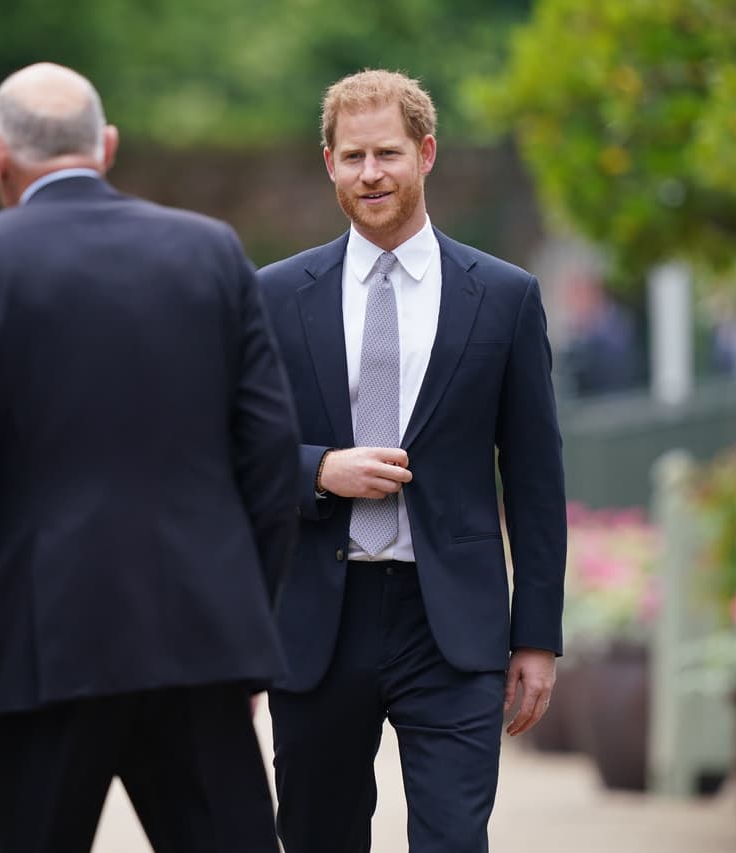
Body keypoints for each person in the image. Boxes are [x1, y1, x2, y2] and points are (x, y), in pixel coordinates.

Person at [0, 62, 299, 853]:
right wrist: (245, 619)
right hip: (200, 637)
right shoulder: (212, 251)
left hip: (44, 645)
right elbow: (273, 451)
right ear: (107, 145)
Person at [258, 69, 567, 852]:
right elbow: (226, 447)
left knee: (454, 840)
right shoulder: (273, 295)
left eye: (388, 152)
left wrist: (536, 637)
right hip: (317, 620)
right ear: (327, 161)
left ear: (426, 153)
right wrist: (317, 469)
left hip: (453, 625)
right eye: (352, 155)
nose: (371, 174)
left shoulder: (504, 296)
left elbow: (535, 477)